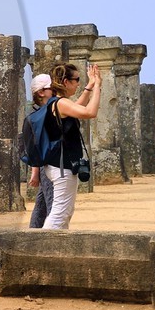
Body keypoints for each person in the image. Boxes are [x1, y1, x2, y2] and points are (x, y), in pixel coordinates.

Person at [38, 60, 102, 229]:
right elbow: (90, 112)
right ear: (66, 82)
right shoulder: (60, 103)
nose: (78, 84)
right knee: (60, 213)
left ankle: (55, 248)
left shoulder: (56, 102)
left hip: (58, 165)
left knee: (64, 212)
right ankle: (41, 248)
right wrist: (97, 88)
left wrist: (89, 86)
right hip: (62, 167)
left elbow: (77, 108)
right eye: (76, 80)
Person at [23, 73, 55, 228]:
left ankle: (33, 231)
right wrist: (35, 172)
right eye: (51, 88)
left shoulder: (46, 112)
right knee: (52, 204)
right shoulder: (41, 116)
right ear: (41, 92)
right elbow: (36, 146)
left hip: (46, 164)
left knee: (42, 203)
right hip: (47, 165)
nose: (55, 90)